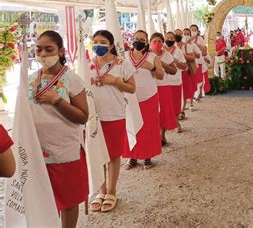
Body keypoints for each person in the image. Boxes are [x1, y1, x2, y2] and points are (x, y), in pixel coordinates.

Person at [30, 31, 89, 226]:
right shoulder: (29, 79)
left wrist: (57, 101)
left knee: (69, 199)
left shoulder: (72, 79)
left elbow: (82, 117)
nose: (43, 55)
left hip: (65, 151)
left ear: (61, 51)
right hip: (38, 151)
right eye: (39, 50)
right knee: (45, 199)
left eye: (49, 49)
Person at [89, 30, 136, 213]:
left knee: (113, 155)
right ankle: (101, 191)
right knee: (98, 153)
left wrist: (115, 80)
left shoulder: (122, 64)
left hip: (115, 114)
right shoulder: (88, 65)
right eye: (95, 41)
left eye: (102, 41)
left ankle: (112, 191)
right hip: (95, 116)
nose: (98, 45)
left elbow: (132, 88)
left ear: (110, 45)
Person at [123, 30, 165, 170]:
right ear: (132, 39)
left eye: (142, 39)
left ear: (146, 42)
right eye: (136, 38)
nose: (138, 41)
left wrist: (152, 67)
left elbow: (161, 76)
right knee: (131, 125)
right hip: (130, 96)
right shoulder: (124, 56)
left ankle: (147, 156)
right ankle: (132, 156)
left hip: (148, 96)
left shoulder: (152, 56)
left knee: (148, 128)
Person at [150, 33, 178, 145]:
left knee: (163, 111)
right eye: (154, 41)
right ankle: (153, 134)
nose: (157, 43)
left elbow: (174, 70)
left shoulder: (167, 55)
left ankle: (162, 135)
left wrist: (161, 64)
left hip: (164, 86)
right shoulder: (147, 55)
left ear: (163, 43)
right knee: (152, 112)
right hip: (150, 87)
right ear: (150, 43)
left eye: (159, 41)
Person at [164, 31, 187, 131]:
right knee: (165, 104)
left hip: (175, 81)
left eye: (171, 38)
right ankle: (166, 124)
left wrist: (175, 61)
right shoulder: (161, 51)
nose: (169, 40)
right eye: (167, 38)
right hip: (162, 82)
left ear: (174, 40)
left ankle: (176, 121)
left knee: (176, 102)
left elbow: (184, 66)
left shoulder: (178, 52)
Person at [175, 28, 196, 118]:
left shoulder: (187, 46)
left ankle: (182, 111)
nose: (178, 35)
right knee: (177, 92)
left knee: (184, 92)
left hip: (184, 71)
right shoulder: (169, 46)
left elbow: (192, 58)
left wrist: (183, 55)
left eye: (180, 34)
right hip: (174, 73)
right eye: (176, 34)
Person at [190, 24, 207, 101]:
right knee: (192, 79)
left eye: (194, 29)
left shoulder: (200, 38)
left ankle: (197, 95)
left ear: (197, 31)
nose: (193, 31)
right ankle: (192, 95)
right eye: (191, 29)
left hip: (199, 61)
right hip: (190, 62)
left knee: (199, 79)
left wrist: (198, 45)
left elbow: (205, 49)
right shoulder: (187, 39)